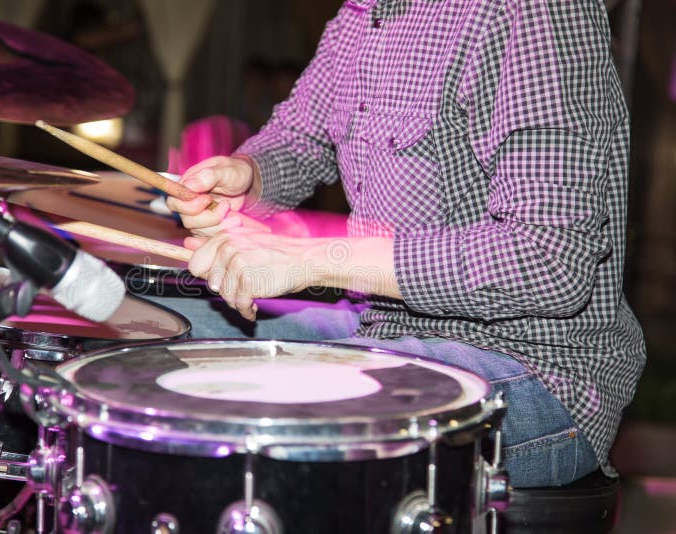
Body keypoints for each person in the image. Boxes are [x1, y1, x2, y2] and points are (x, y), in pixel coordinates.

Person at [160, 0, 646, 488]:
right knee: (161, 331)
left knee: (256, 402)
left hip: (534, 368)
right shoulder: (363, 12)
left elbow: (548, 259)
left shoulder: (534, 10)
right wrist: (250, 176)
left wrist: (314, 259)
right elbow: (301, 137)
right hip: (383, 323)